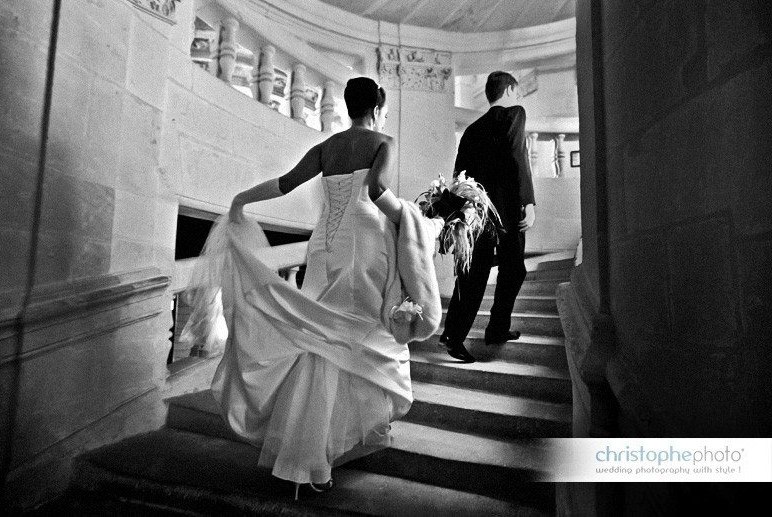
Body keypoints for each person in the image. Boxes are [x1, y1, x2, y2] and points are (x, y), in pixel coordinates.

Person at [194, 77, 441, 499]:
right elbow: (377, 190)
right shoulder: (384, 140)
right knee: (360, 331)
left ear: (347, 107)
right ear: (378, 107)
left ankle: (307, 451)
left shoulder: (327, 147)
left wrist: (241, 200)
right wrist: (410, 219)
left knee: (320, 333)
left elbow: (286, 182)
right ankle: (318, 454)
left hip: (325, 244)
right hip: (365, 240)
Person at [439, 71, 536, 363]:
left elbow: (460, 176)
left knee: (473, 274)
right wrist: (528, 202)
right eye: (516, 91)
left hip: (476, 214)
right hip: (508, 210)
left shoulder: (471, 130)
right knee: (513, 269)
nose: (518, 97)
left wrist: (461, 215)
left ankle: (454, 336)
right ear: (508, 90)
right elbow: (519, 156)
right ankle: (496, 328)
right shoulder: (515, 114)